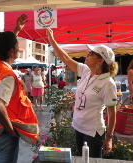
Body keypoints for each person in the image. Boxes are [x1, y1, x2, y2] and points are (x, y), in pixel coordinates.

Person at [46, 28, 118, 158]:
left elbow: (112, 113)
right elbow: (66, 58)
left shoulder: (108, 83)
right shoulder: (86, 71)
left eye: (91, 53)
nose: (87, 54)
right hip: (78, 127)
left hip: (92, 132)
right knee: (81, 158)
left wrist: (109, 137)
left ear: (100, 60)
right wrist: (52, 41)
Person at [0, 14, 39, 163]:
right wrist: (11, 131)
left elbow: (3, 46)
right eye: (17, 46)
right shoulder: (7, 76)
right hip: (2, 133)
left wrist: (16, 29)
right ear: (11, 52)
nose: (19, 48)